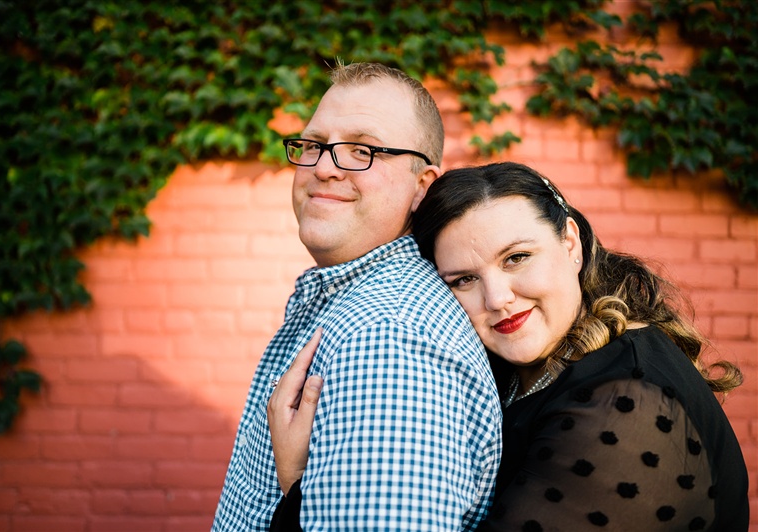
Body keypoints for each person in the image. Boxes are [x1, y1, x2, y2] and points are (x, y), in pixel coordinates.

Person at [269, 162, 749, 531]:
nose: (497, 298)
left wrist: (297, 485)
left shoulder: (626, 403)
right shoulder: (538, 369)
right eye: (463, 280)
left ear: (570, 244)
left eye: (517, 258)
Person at [211, 62, 503, 531]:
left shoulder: (388, 338)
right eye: (314, 145)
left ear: (421, 187)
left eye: (362, 150)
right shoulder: (358, 308)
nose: (324, 168)